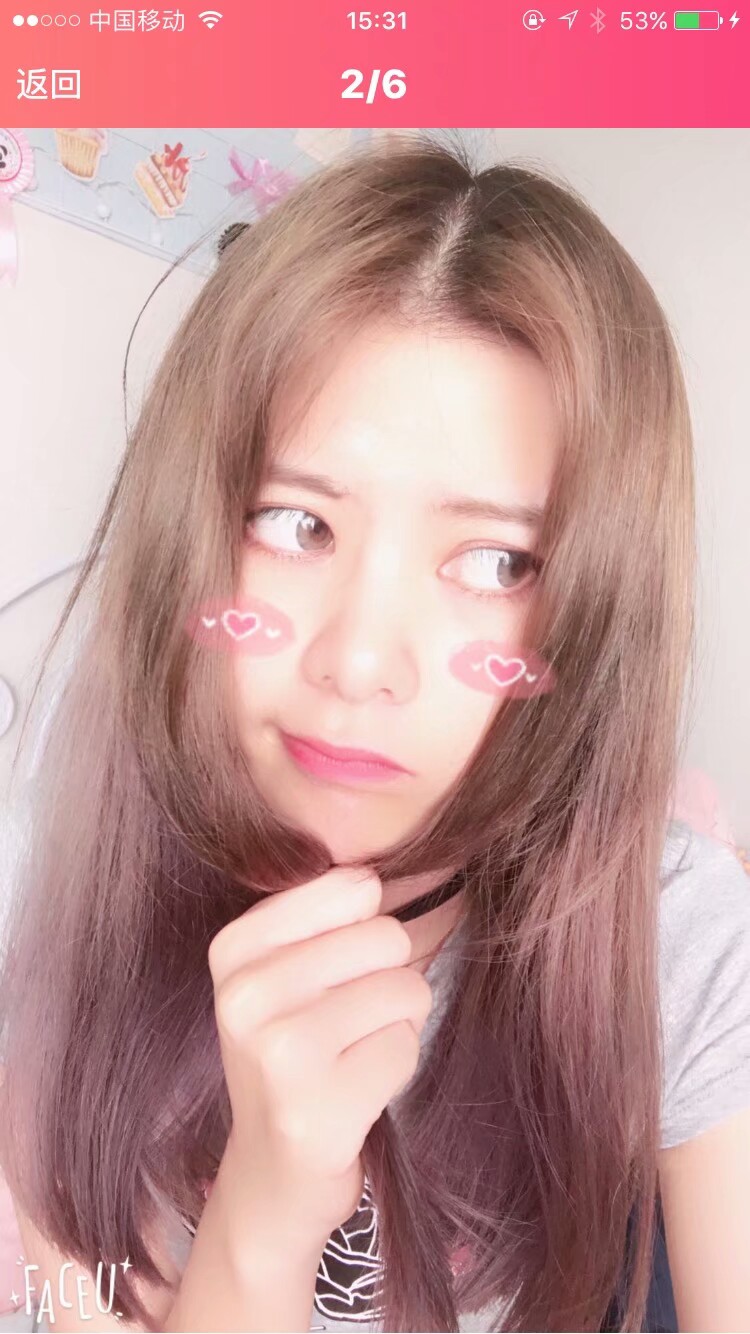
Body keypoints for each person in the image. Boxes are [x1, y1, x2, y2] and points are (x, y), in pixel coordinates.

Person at [1, 131, 749, 1334]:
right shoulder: (77, 821)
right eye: (295, 525)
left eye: (495, 561)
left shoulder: (675, 937)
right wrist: (262, 1217)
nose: (356, 663)